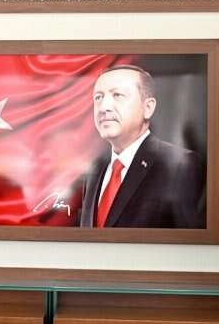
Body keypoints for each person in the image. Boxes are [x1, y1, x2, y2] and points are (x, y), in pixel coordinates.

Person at [78, 65, 206, 228]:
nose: (104, 107)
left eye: (117, 95)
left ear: (148, 108)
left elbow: (190, 240)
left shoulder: (180, 165)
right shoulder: (95, 169)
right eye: (98, 97)